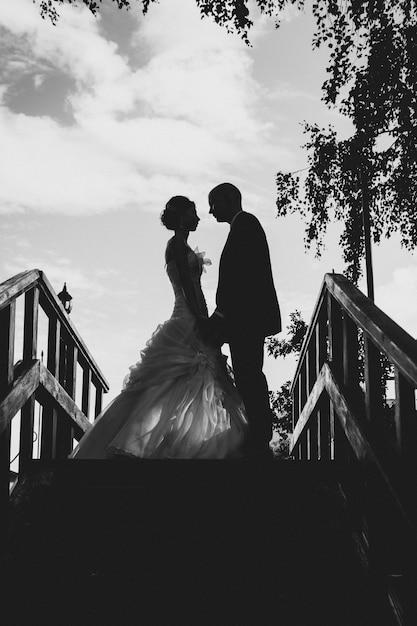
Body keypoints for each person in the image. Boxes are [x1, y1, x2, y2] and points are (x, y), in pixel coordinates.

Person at [70, 196, 247, 460]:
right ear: (182, 217)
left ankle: (199, 441)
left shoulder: (183, 245)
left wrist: (207, 317)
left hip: (197, 314)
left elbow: (196, 290)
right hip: (187, 318)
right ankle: (132, 441)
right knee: (168, 383)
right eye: (193, 212)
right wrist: (201, 320)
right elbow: (188, 288)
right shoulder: (175, 245)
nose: (198, 217)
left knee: (197, 380)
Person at [202, 183, 281, 460]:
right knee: (248, 376)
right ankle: (255, 436)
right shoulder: (243, 226)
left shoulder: (245, 225)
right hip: (245, 319)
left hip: (246, 320)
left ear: (229, 199)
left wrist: (223, 315)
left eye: (214, 203)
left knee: (250, 376)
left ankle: (258, 438)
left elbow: (242, 279)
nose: (210, 210)